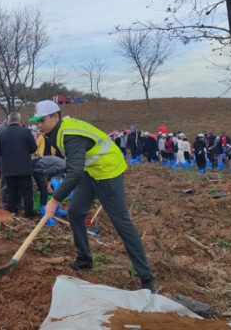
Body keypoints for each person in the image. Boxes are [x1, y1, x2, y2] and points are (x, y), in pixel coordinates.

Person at [32, 100, 156, 293]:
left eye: (42, 120)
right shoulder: (57, 131)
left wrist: (54, 200)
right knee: (75, 212)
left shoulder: (70, 135)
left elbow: (73, 172)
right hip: (90, 171)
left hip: (108, 171)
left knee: (121, 222)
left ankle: (146, 276)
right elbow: (75, 167)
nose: (39, 125)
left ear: (55, 116)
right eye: (37, 121)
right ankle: (85, 260)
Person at [0, 112, 37, 219]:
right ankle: (29, 215)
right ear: (19, 121)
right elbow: (33, 148)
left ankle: (12, 213)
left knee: (11, 192)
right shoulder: (26, 132)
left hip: (9, 169)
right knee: (27, 193)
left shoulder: (2, 134)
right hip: (24, 168)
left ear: (8, 121)